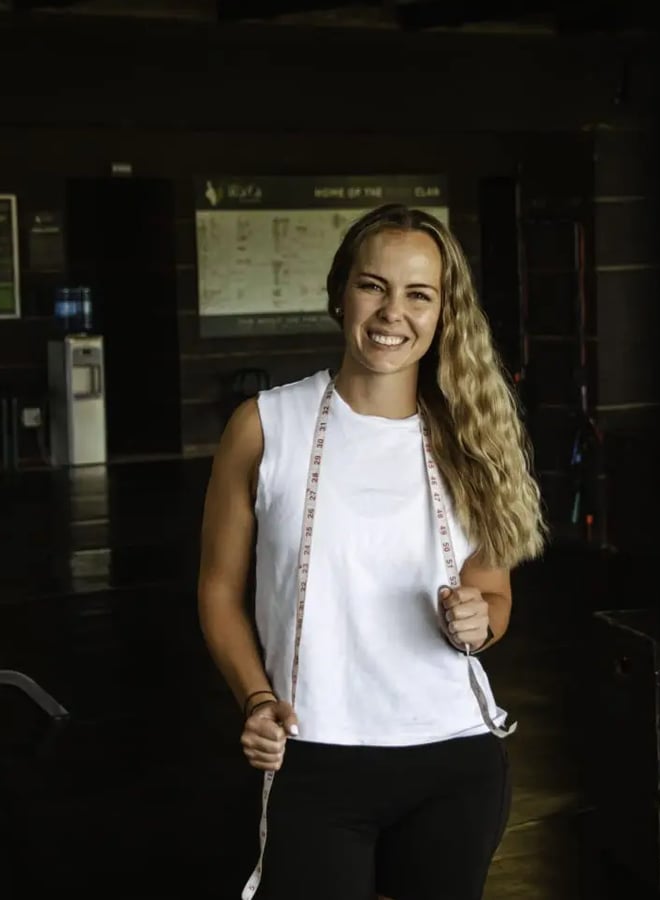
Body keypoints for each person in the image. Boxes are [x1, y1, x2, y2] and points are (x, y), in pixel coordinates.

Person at [197, 203, 547, 900]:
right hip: (314, 753)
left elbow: (495, 597)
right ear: (340, 294)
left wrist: (481, 622)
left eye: (419, 294)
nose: (393, 312)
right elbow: (217, 591)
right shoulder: (267, 425)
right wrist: (257, 699)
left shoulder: (472, 439)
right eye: (373, 286)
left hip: (454, 758)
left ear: (444, 313)